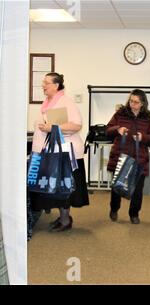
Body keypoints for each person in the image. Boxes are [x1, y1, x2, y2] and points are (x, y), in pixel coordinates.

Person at [30, 72, 89, 232]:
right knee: (55, 187)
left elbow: (76, 125)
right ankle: (63, 217)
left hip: (65, 153)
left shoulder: (66, 102)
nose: (43, 85)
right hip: (51, 152)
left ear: (56, 86)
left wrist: (52, 127)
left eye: (46, 83)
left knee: (64, 188)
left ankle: (65, 220)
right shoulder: (48, 102)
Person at [106, 89, 150, 224]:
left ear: (142, 104)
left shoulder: (148, 118)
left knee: (137, 190)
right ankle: (114, 209)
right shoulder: (120, 113)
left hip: (139, 157)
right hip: (120, 155)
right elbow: (108, 130)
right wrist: (118, 129)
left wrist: (143, 137)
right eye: (131, 101)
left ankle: (134, 214)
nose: (132, 104)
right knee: (117, 187)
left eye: (136, 102)